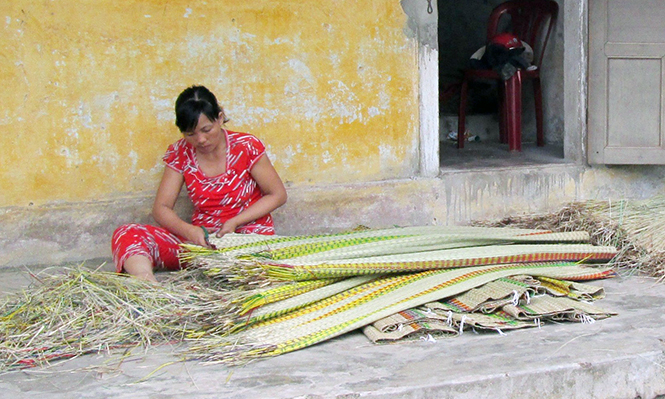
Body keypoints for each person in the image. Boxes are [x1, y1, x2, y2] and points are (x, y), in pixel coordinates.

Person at [111, 85, 287, 282]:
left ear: (220, 118)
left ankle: (224, 272)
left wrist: (235, 222)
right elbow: (161, 208)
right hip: (203, 243)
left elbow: (277, 194)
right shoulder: (180, 153)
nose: (201, 140)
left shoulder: (246, 146)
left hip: (248, 238)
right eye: (190, 134)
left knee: (247, 267)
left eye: (206, 129)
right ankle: (148, 286)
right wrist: (191, 231)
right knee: (127, 234)